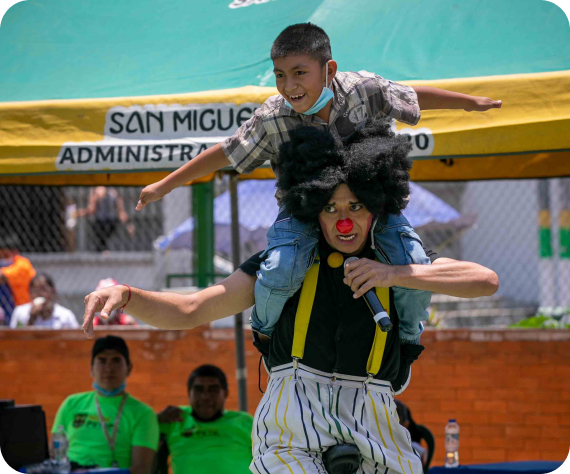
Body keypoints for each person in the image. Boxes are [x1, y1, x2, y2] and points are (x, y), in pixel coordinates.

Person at [83, 121, 499, 474]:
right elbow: (192, 309)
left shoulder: (399, 262)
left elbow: (486, 280)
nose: (344, 220)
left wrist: (392, 274)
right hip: (292, 419)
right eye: (331, 207)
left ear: (376, 208)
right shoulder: (283, 265)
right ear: (311, 208)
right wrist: (127, 296)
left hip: (375, 416)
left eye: (356, 206)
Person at [134, 23, 502, 344]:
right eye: (279, 75)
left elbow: (412, 95)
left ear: (329, 70)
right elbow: (227, 151)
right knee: (281, 268)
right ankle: (264, 330)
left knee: (411, 261)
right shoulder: (273, 116)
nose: (289, 86)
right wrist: (167, 184)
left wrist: (468, 104)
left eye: (299, 73)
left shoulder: (363, 89)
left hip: (371, 203)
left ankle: (406, 339)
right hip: (305, 210)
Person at [51, 335, 158, 473]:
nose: (108, 368)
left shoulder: (143, 413)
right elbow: (55, 456)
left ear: (129, 368)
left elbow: (141, 470)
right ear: (91, 369)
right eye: (102, 361)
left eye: (116, 360)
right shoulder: (71, 404)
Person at [157, 365, 253, 474]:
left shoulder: (245, 422)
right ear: (189, 393)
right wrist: (156, 419)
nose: (205, 397)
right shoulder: (175, 418)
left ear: (225, 393)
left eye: (213, 390)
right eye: (199, 390)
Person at [10, 272, 78, 329]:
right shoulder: (20, 312)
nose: (39, 294)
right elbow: (14, 339)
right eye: (35, 290)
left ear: (53, 292)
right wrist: (32, 318)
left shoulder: (65, 316)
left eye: (43, 289)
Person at [77, 186, 135, 252]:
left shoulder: (99, 190)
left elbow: (91, 209)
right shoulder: (114, 191)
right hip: (107, 222)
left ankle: (102, 250)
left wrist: (78, 213)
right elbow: (121, 211)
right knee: (101, 243)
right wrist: (129, 224)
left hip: (103, 222)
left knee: (101, 244)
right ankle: (103, 250)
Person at [0, 234, 36, 325]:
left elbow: (2, 276)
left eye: (5, 254)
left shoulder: (23, 264)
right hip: (6, 310)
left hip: (23, 311)